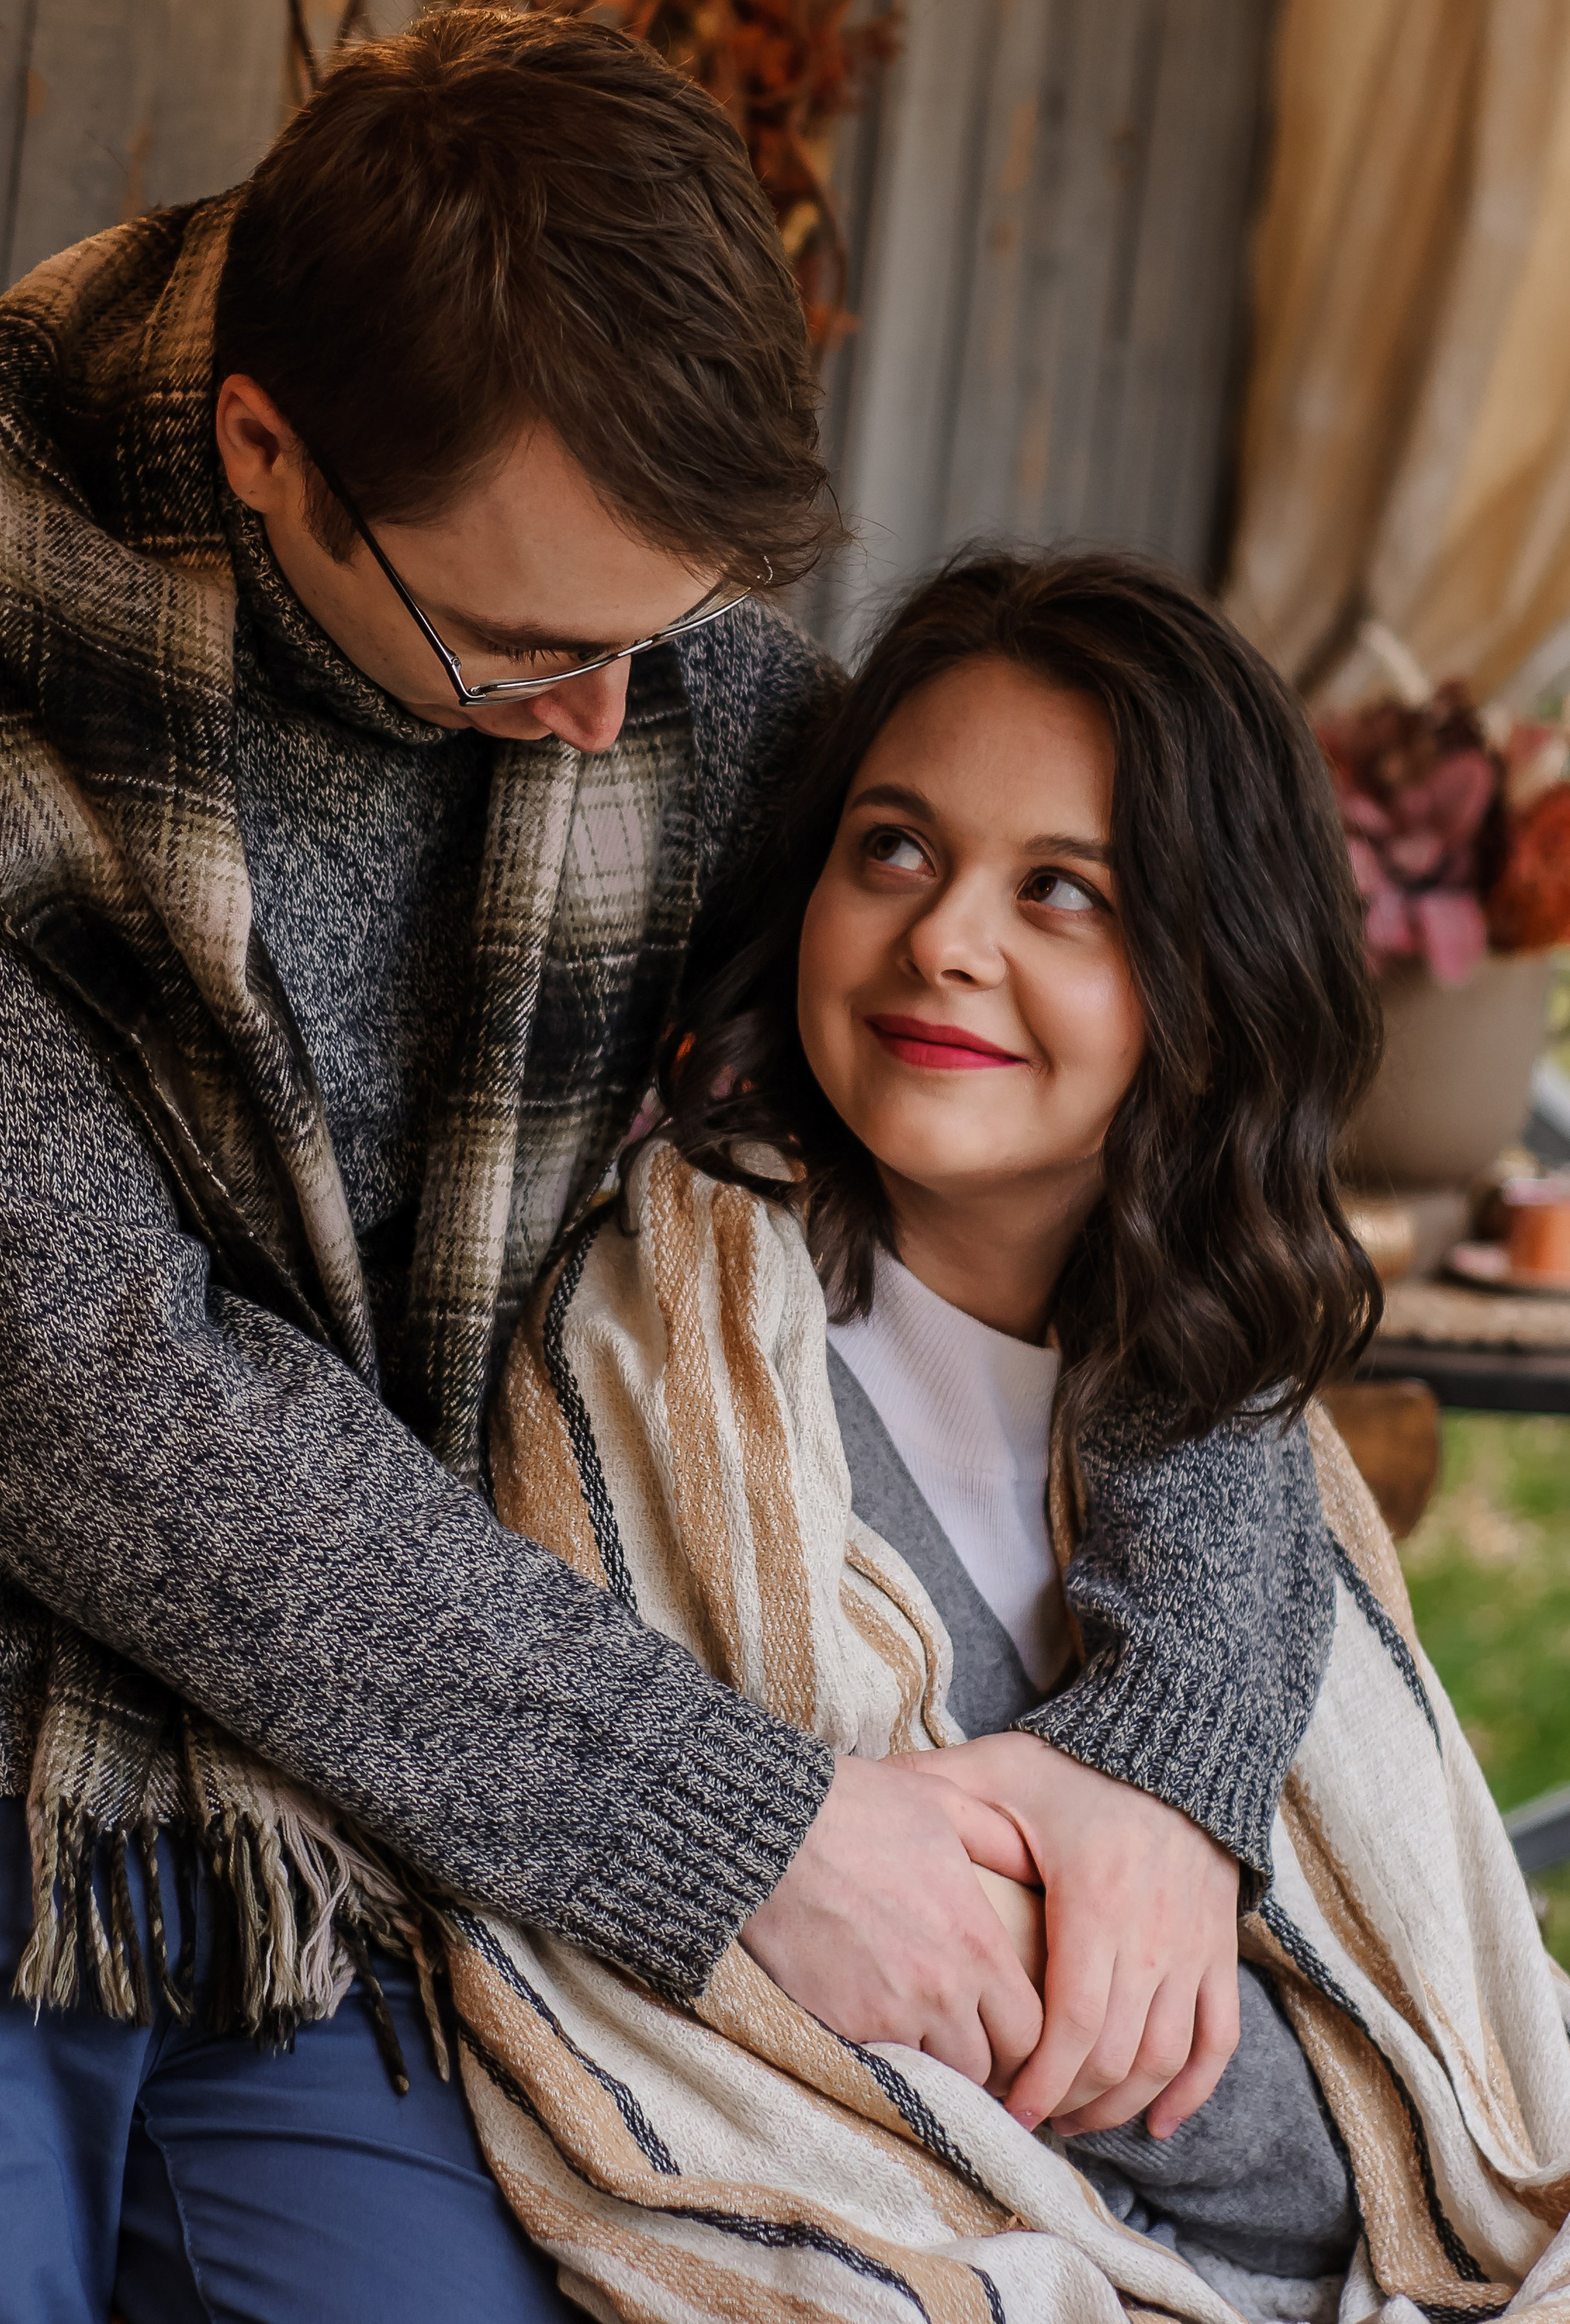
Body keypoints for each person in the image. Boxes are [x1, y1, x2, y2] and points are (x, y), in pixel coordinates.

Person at [0, 16, 1335, 2322]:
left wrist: (1166, 1770)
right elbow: (86, 1388)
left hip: (353, 1749)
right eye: (521, 654)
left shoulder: (645, 650)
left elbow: (1145, 1180)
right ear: (267, 451)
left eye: (658, 635)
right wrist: (746, 1835)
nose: (612, 726)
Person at [460, 548, 1569, 2322]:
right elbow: (906, 2018)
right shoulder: (664, 1356)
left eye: (1063, 890)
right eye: (891, 845)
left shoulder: (1219, 1410)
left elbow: (1406, 2058)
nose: (944, 938)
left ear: (1212, 980)